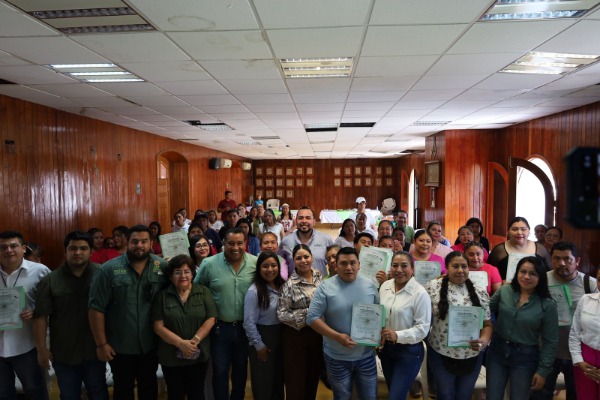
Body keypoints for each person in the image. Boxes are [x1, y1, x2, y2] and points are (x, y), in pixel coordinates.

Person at [89, 224, 168, 400]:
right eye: (135, 241)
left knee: (149, 389)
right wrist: (101, 344)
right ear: (127, 242)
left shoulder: (162, 267)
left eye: (144, 241)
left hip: (151, 345)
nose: (139, 245)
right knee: (123, 390)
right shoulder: (108, 270)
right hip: (120, 347)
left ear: (151, 243)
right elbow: (96, 309)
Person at [33, 231, 108, 400]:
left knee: (98, 392)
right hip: (64, 352)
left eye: (83, 248)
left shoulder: (102, 275)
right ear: (65, 251)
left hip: (95, 349)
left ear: (91, 251)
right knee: (69, 395)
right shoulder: (51, 280)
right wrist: (42, 349)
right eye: (73, 248)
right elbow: (40, 317)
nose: (78, 252)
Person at [307, 247, 380, 399]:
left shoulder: (370, 285)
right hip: (336, 357)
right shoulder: (325, 287)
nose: (348, 267)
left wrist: (379, 335)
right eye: (343, 263)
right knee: (341, 397)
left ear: (359, 265)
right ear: (336, 265)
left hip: (366, 356)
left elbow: (378, 315)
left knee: (369, 397)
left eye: (353, 263)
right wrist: (337, 336)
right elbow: (312, 318)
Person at [194, 228, 257, 400]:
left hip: (245, 329)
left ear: (245, 243)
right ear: (223, 243)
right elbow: (197, 291)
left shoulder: (255, 262)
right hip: (219, 328)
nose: (235, 247)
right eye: (230, 243)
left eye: (239, 243)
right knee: (220, 370)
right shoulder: (209, 264)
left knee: (240, 369)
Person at [486, 256, 559, 400]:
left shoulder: (548, 304)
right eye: (522, 271)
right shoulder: (505, 291)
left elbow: (551, 341)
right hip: (497, 351)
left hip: (525, 357)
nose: (526, 277)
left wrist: (543, 371)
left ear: (540, 277)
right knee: (492, 396)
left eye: (533, 273)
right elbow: (484, 312)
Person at [534, 241, 598, 400]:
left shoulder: (590, 284)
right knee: (540, 394)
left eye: (567, 259)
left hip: (577, 355)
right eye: (556, 258)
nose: (561, 263)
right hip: (546, 350)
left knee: (575, 394)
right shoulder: (541, 281)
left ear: (577, 261)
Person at [425, 251, 492, 400]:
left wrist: (484, 341)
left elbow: (487, 324)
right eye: (455, 266)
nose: (460, 270)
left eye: (464, 266)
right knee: (445, 394)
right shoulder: (432, 287)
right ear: (447, 268)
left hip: (471, 354)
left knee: (464, 395)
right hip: (440, 352)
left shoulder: (480, 291)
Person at [152, 254, 217, 400]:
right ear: (170, 276)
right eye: (177, 272)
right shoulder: (162, 296)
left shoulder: (204, 292)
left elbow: (211, 318)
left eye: (187, 271)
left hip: (198, 354)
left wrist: (194, 341)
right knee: (175, 394)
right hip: (171, 357)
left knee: (197, 393)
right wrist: (181, 344)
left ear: (192, 274)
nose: (183, 276)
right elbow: (158, 327)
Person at [0, 230, 51, 399]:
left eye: (13, 246)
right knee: (3, 394)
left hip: (27, 345)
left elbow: (54, 303)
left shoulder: (40, 271)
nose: (8, 250)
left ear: (23, 248)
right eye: (3, 247)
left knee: (35, 391)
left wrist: (36, 312)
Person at [379, 251, 431, 400]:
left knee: (395, 396)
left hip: (409, 351)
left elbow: (422, 329)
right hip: (386, 349)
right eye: (395, 265)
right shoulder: (385, 286)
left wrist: (397, 335)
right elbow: (380, 314)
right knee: (393, 391)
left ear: (412, 268)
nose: (399, 270)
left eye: (404, 266)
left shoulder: (420, 294)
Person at [277, 244, 324, 400]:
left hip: (317, 336)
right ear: (294, 261)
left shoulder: (319, 276)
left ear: (312, 257)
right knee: (295, 382)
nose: (303, 260)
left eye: (306, 257)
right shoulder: (289, 285)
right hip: (296, 337)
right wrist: (310, 314)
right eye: (299, 258)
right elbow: (282, 314)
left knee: (312, 378)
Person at [243, 252, 285, 400]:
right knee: (263, 381)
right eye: (265, 266)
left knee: (278, 378)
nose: (270, 269)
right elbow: (248, 323)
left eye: (274, 265)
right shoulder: (254, 291)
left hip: (280, 336)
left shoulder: (282, 286)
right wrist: (259, 345)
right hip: (263, 337)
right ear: (259, 269)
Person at [568, 266, 600, 400]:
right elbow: (574, 333)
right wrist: (579, 361)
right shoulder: (586, 299)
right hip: (585, 361)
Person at [488, 216, 551, 280]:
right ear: (508, 231)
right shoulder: (499, 250)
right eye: (514, 229)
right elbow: (489, 272)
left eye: (523, 229)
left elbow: (550, 271)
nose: (519, 232)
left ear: (529, 231)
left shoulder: (540, 249)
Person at [279, 206, 333, 277]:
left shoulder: (326, 239)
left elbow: (334, 265)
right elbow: (280, 265)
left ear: (314, 221)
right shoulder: (286, 241)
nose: (304, 221)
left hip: (321, 283)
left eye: (308, 218)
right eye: (300, 218)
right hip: (294, 283)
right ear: (296, 221)